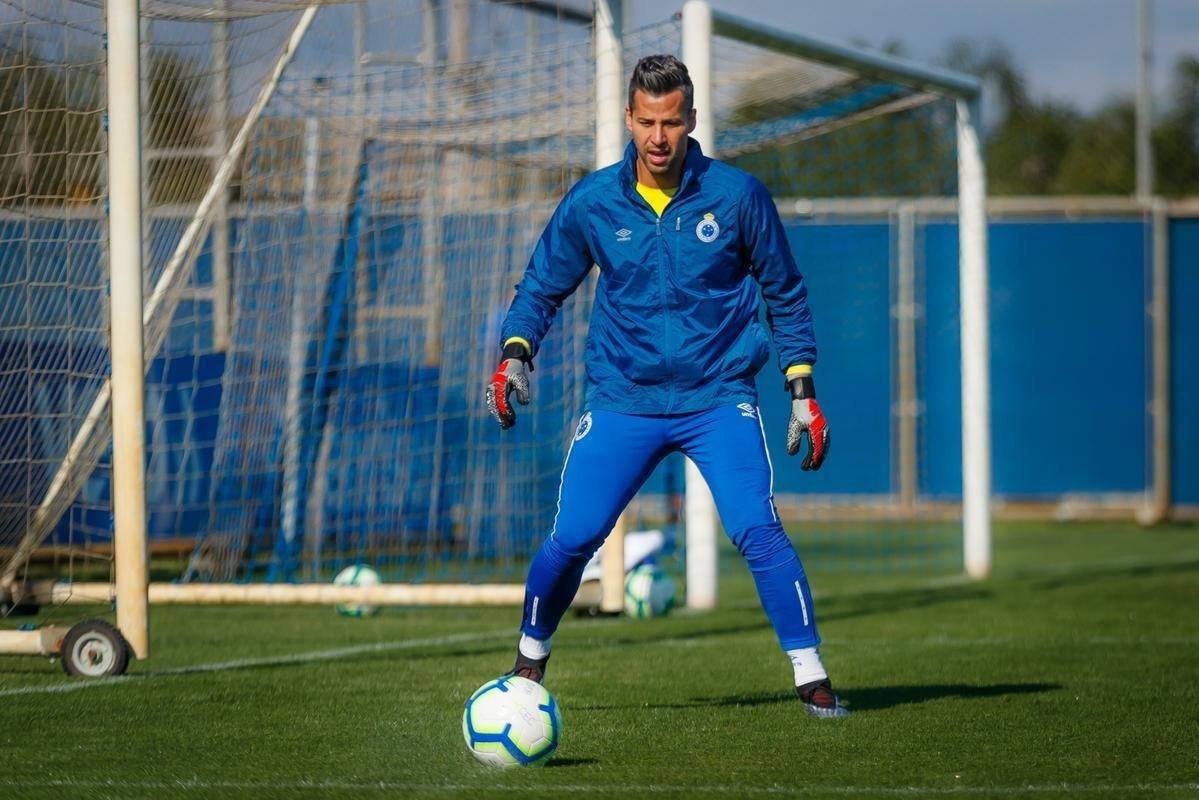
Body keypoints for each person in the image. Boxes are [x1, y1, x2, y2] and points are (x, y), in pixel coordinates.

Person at [484, 54, 845, 718]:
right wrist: (515, 355)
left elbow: (785, 294)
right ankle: (527, 666)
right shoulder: (592, 201)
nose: (657, 138)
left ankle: (813, 680)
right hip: (623, 397)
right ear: (628, 118)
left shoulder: (738, 196)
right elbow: (539, 287)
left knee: (756, 528)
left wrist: (802, 387)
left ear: (691, 121)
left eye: (671, 122)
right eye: (646, 122)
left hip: (717, 397)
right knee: (573, 536)